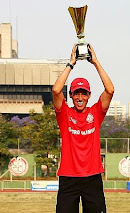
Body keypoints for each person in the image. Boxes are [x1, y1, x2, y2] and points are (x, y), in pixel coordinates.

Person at [52, 44, 114, 213]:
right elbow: (56, 90)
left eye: (83, 93)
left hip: (92, 177)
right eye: (76, 93)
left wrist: (95, 62)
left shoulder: (96, 112)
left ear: (89, 95)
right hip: (68, 177)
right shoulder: (64, 114)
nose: (80, 97)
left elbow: (110, 89)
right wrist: (71, 63)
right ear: (70, 95)